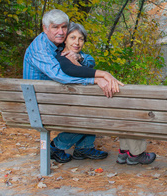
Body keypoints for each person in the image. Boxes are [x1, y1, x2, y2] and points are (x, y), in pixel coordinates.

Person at [23, 9, 122, 164]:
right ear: (45, 28)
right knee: (92, 110)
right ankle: (56, 146)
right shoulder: (40, 49)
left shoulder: (56, 41)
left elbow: (87, 59)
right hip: (39, 105)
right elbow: (60, 74)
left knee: (91, 104)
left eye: (64, 27)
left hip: (53, 98)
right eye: (55, 27)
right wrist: (97, 78)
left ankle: (84, 147)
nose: (61, 32)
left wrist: (80, 57)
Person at [56, 22, 156, 165]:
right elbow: (72, 71)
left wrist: (83, 63)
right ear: (65, 39)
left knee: (123, 105)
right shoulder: (63, 60)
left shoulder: (74, 58)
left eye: (81, 39)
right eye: (72, 38)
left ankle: (126, 152)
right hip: (82, 111)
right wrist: (101, 76)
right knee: (127, 107)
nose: (77, 42)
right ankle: (134, 153)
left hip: (78, 108)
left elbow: (85, 66)